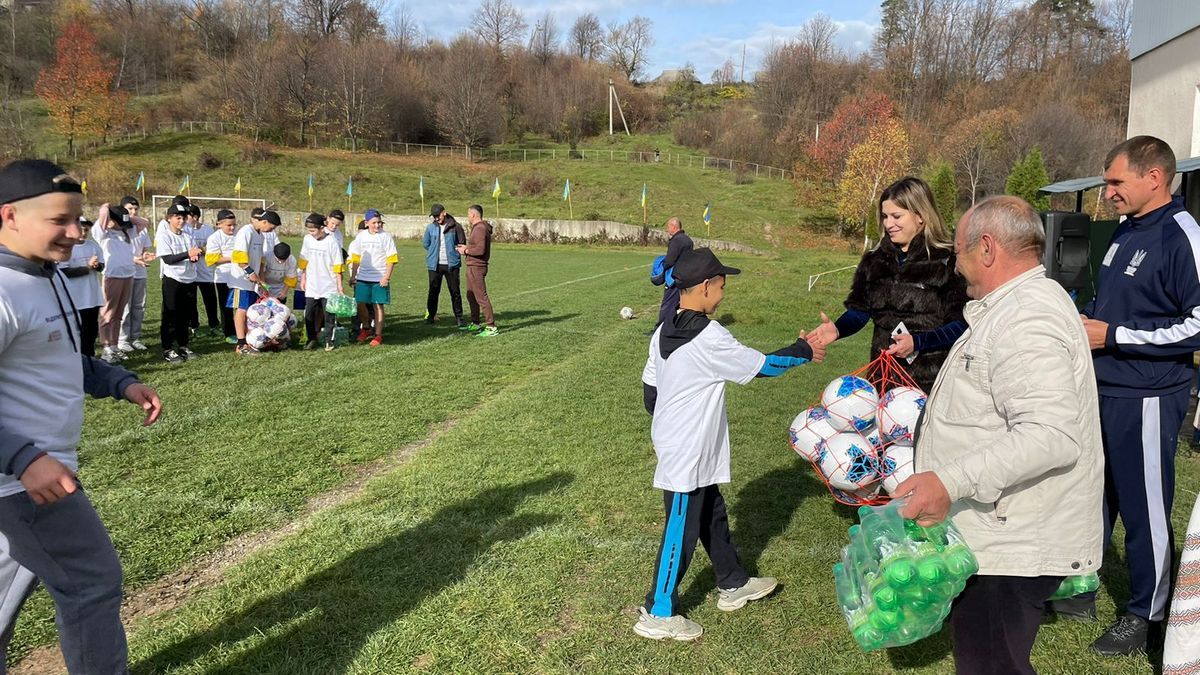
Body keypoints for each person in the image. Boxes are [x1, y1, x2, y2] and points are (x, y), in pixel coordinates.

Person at [895, 196, 1104, 674]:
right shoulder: (1008, 308)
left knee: (991, 665)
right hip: (996, 532)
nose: (956, 265)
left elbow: (1049, 434)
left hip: (1012, 543)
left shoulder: (1027, 317)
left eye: (960, 253)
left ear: (986, 248)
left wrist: (948, 481)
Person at [0, 158, 163, 674]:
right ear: (9, 216)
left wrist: (119, 381)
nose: (76, 233)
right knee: (91, 582)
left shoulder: (44, 275)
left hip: (29, 475)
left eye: (79, 220)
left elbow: (60, 355)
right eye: (60, 221)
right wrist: (23, 459)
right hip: (23, 483)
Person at [634, 247, 824, 641]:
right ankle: (658, 611)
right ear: (704, 287)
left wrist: (666, 427)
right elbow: (762, 366)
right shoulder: (709, 336)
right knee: (681, 526)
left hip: (683, 443)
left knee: (711, 512)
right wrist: (805, 350)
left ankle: (732, 582)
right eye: (721, 285)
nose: (722, 293)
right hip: (686, 449)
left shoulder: (664, 327)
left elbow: (650, 389)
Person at [1071, 136, 1200, 655]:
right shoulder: (1126, 231)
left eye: (1115, 182)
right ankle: (1080, 584)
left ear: (1154, 178)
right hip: (1103, 387)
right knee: (1093, 495)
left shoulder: (1183, 236)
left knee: (1145, 505)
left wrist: (1114, 336)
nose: (1106, 194)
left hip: (1148, 394)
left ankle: (1148, 611)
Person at [805, 177, 968, 393]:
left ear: (920, 215)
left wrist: (918, 342)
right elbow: (860, 311)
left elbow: (961, 324)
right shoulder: (874, 260)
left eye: (896, 216)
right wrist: (837, 329)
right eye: (884, 217)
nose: (888, 224)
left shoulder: (949, 261)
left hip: (930, 385)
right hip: (882, 380)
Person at [155, 202, 201, 363]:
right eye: (177, 218)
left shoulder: (188, 236)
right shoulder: (164, 236)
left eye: (183, 218)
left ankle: (183, 345)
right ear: (169, 218)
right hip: (173, 279)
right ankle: (168, 348)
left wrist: (195, 257)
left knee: (185, 315)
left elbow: (194, 254)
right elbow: (168, 259)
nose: (181, 221)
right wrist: (188, 253)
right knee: (170, 314)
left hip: (189, 279)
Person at [227, 210, 277, 354]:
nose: (271, 231)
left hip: (253, 281)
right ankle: (240, 344)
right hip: (240, 280)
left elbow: (260, 259)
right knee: (241, 309)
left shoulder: (260, 235)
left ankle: (250, 341)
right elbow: (238, 257)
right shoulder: (246, 232)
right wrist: (250, 272)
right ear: (264, 222)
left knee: (250, 311)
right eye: (271, 227)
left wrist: (261, 280)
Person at [92, 203, 136, 364]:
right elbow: (103, 213)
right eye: (121, 221)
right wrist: (107, 210)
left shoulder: (127, 232)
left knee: (118, 314)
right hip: (112, 276)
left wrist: (126, 217)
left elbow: (143, 222)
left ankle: (115, 345)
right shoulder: (103, 233)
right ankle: (106, 349)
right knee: (108, 313)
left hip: (128, 275)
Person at [347, 208, 397, 346]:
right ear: (366, 222)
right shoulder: (361, 237)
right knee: (360, 303)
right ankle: (366, 328)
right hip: (362, 276)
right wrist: (353, 276)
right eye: (374, 222)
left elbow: (392, 259)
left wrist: (386, 277)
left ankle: (378, 335)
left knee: (377, 306)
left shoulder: (386, 237)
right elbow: (356, 258)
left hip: (379, 278)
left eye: (379, 222)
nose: (377, 225)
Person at [58, 216, 104, 357]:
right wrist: (87, 268)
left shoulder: (93, 245)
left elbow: (102, 266)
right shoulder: (67, 247)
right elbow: (64, 271)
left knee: (91, 332)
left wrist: (97, 266)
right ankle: (77, 359)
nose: (84, 232)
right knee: (77, 333)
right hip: (75, 299)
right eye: (82, 229)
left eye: (87, 230)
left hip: (92, 298)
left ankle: (90, 358)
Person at [299, 212, 344, 351]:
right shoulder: (307, 239)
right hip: (312, 284)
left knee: (328, 314)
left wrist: (340, 287)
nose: (311, 233)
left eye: (313, 230)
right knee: (309, 313)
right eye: (309, 230)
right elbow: (304, 260)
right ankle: (311, 338)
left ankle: (328, 340)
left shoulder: (332, 242)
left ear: (321, 228)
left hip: (328, 285)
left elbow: (338, 266)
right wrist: (304, 278)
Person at [116, 195, 152, 354]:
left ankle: (135, 338)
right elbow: (114, 252)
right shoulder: (118, 229)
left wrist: (145, 256)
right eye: (130, 209)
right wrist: (133, 259)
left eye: (136, 209)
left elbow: (144, 250)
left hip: (140, 273)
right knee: (125, 308)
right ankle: (122, 340)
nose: (134, 212)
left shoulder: (142, 230)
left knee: (139, 307)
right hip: (124, 274)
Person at [422, 203, 465, 327]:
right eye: (434, 216)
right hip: (434, 265)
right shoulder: (430, 228)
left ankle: (459, 317)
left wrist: (453, 252)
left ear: (444, 213)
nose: (436, 218)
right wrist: (433, 253)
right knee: (433, 291)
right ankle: (431, 316)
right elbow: (426, 243)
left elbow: (462, 243)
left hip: (452, 264)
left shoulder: (456, 227)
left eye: (437, 215)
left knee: (455, 291)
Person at [456, 204, 497, 337]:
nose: (467, 216)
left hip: (477, 267)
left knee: (481, 297)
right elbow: (477, 246)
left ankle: (491, 326)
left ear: (473, 215)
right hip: (472, 266)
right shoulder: (479, 228)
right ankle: (476, 323)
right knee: (471, 295)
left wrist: (466, 250)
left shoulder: (480, 228)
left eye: (468, 214)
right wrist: (467, 247)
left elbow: (480, 250)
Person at [205, 209, 238, 343]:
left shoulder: (239, 235)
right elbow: (212, 259)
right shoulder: (214, 238)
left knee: (240, 305)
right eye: (229, 225)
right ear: (219, 224)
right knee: (226, 306)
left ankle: (242, 329)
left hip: (239, 276)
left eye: (234, 225)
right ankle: (229, 332)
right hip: (223, 277)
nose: (232, 228)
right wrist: (233, 258)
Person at [186, 205, 219, 337]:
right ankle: (194, 326)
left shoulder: (208, 230)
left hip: (206, 273)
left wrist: (200, 251)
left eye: (187, 216)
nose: (184, 219)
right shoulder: (185, 231)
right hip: (191, 274)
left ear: (195, 217)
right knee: (191, 302)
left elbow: (213, 248)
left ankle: (214, 325)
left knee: (210, 301)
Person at [655, 217, 693, 327]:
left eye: (668, 226)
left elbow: (670, 260)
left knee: (668, 303)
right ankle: (678, 325)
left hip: (674, 277)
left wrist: (662, 268)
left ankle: (660, 329)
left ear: (673, 226)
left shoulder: (676, 241)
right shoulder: (688, 240)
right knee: (680, 303)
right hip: (685, 276)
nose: (667, 229)